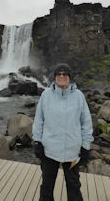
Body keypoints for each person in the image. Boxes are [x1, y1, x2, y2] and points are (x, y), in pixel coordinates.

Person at [32, 63, 94, 201]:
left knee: (73, 184)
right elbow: (38, 120)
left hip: (73, 150)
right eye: (58, 74)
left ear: (69, 77)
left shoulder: (78, 96)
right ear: (54, 77)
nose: (61, 76)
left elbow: (86, 122)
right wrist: (37, 141)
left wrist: (86, 146)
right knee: (47, 185)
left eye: (65, 74)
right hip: (49, 149)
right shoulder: (46, 95)